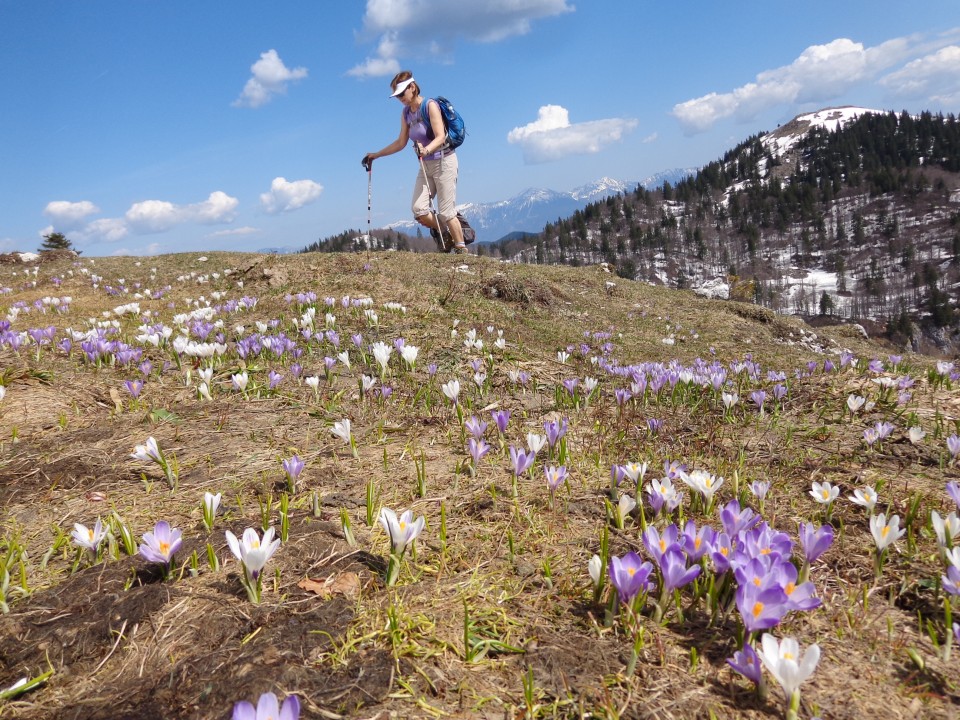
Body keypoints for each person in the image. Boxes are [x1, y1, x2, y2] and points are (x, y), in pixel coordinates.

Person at [362, 71, 468, 254]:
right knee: (419, 210)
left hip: (445, 161)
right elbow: (401, 142)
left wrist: (426, 149)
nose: (400, 98)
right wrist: (376, 155)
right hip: (425, 165)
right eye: (397, 95)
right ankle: (448, 231)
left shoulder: (430, 106)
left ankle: (461, 248)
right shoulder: (406, 114)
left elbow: (441, 135)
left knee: (446, 211)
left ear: (412, 87)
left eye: (402, 93)